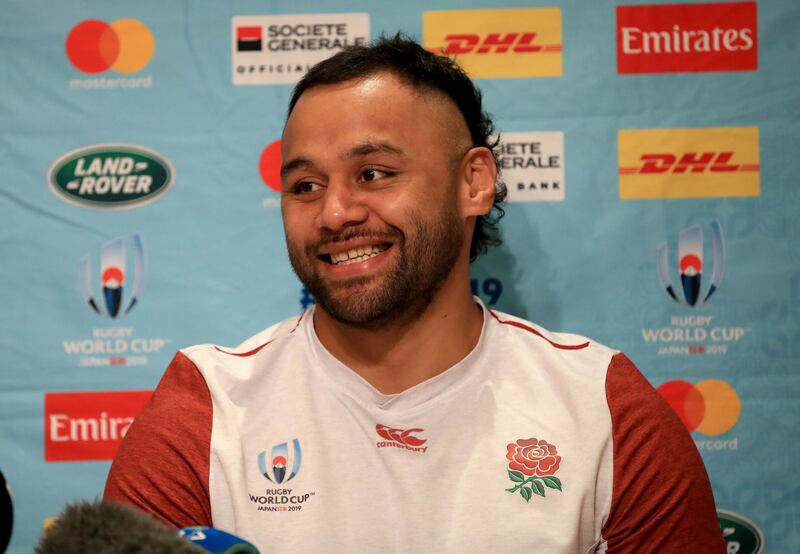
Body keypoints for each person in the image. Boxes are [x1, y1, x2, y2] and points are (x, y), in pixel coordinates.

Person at [105, 35, 726, 552]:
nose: (334, 212)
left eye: (373, 174)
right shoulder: (206, 409)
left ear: (473, 183)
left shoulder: (602, 406)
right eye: (305, 185)